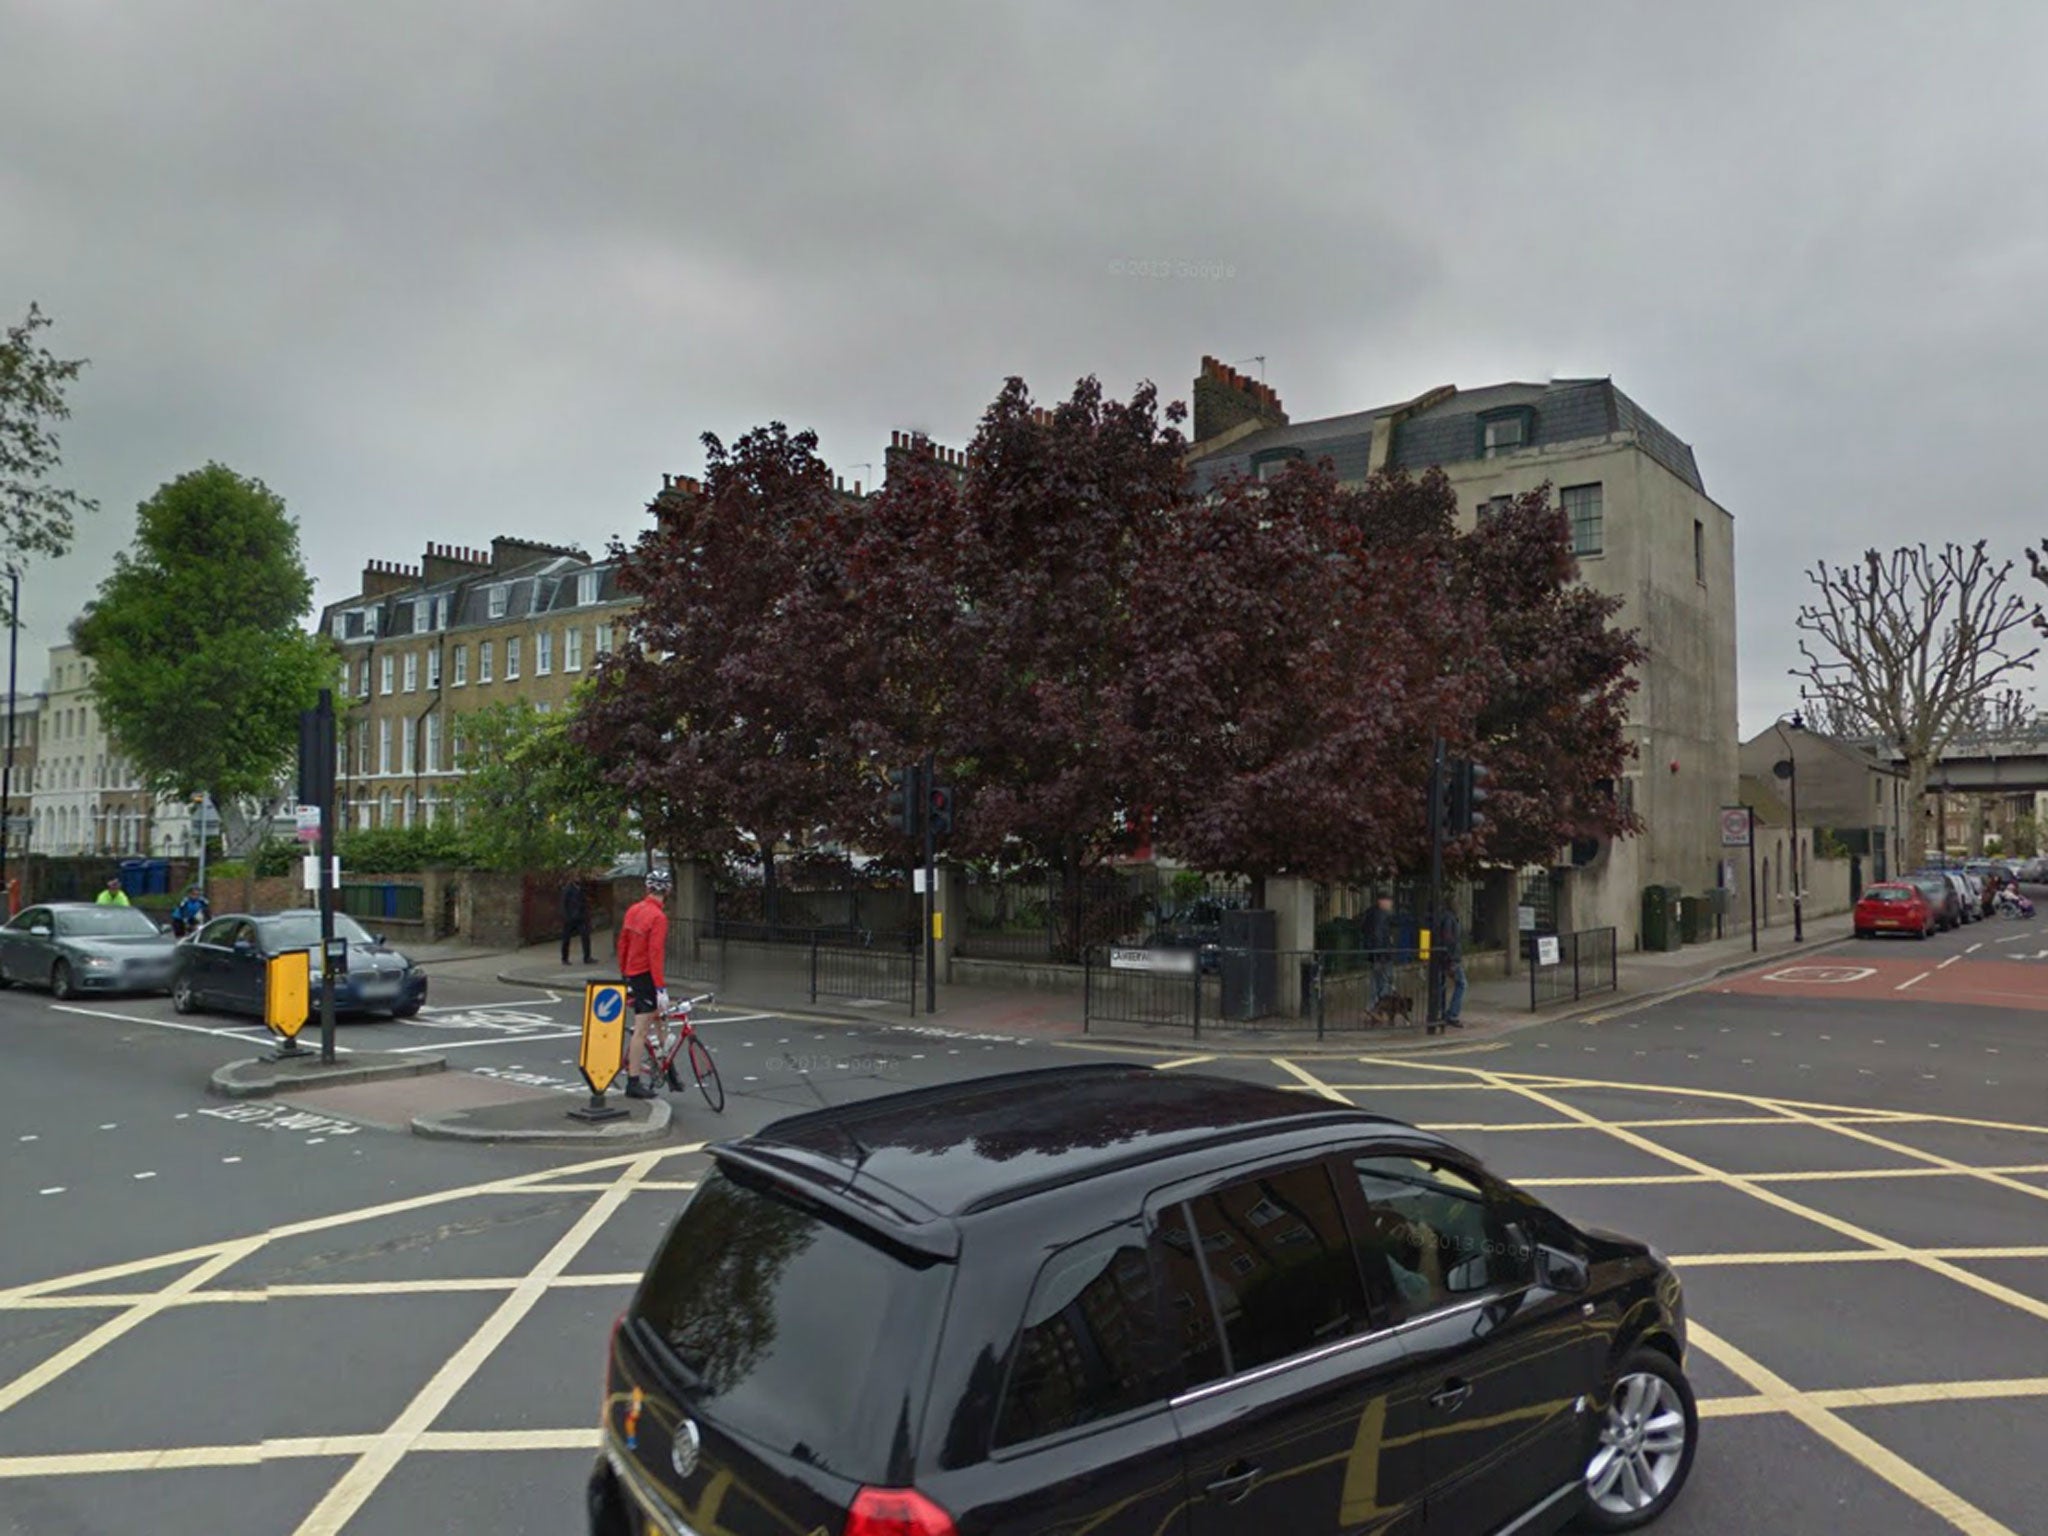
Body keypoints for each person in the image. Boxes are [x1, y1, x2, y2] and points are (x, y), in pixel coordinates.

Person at [616, 868, 673, 1100]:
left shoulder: (633, 910)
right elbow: (655, 954)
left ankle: (669, 1071)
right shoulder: (658, 917)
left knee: (660, 1018)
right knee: (641, 1031)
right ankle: (633, 1082)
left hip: (632, 973)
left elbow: (623, 944)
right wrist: (660, 987)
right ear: (667, 890)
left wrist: (625, 974)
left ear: (647, 888)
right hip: (646, 976)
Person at [1434, 902, 1467, 1028]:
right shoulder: (1449, 919)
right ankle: (1451, 1014)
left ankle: (1440, 1013)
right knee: (1462, 984)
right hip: (1451, 959)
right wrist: (1451, 960)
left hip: (1446, 958)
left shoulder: (1445, 917)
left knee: (1441, 985)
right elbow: (1449, 940)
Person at [1363, 893, 1396, 1003]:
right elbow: (1379, 936)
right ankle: (1381, 1008)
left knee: (1375, 983)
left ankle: (1373, 1007)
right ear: (1381, 901)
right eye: (1389, 901)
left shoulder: (1371, 914)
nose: (1391, 904)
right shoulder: (1381, 916)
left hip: (1374, 955)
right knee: (1385, 983)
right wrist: (1381, 955)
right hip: (1383, 955)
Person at [560, 877, 594, 966]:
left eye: (579, 877)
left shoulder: (581, 888)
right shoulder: (568, 889)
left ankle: (587, 957)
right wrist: (566, 916)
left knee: (586, 936)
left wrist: (586, 914)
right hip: (570, 918)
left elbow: (584, 902)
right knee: (566, 939)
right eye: (576, 877)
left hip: (581, 918)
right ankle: (564, 958)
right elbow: (564, 903)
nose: (578, 878)